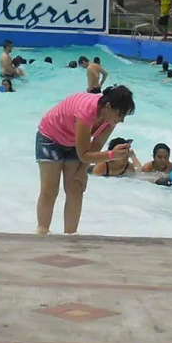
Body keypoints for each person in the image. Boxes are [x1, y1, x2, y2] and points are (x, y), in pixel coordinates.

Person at [35, 85, 136, 235]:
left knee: (76, 187)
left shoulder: (111, 120)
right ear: (108, 107)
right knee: (50, 190)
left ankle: (70, 236)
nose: (121, 120)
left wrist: (82, 171)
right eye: (120, 115)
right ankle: (42, 232)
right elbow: (84, 155)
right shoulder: (86, 111)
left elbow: (96, 145)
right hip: (50, 137)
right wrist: (112, 155)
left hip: (73, 142)